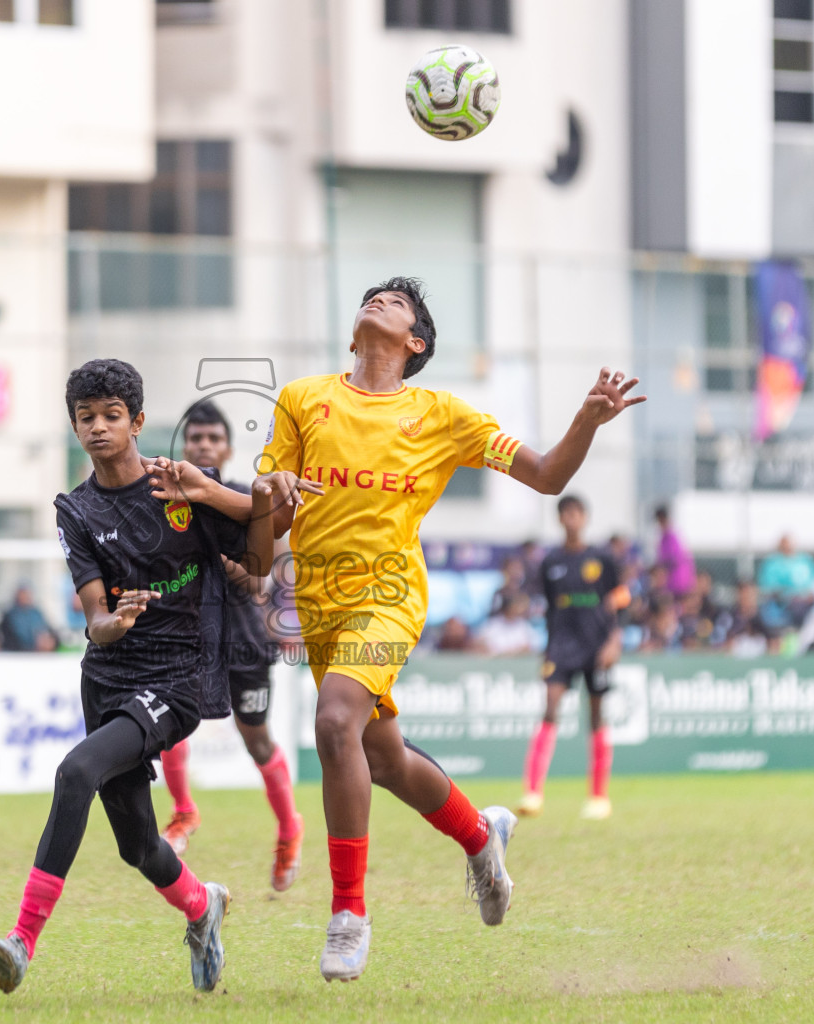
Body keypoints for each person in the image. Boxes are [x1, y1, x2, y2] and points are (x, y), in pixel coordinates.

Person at [260, 276, 645, 981]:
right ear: (354, 335)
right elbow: (268, 523)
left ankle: (348, 912)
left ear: (416, 343)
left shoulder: (441, 414)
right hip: (317, 602)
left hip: (389, 596)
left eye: (396, 302)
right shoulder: (301, 400)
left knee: (334, 721)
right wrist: (269, 498)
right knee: (381, 759)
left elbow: (547, 475)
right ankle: (480, 835)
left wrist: (586, 419)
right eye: (370, 296)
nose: (376, 299)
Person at [0, 359, 279, 996]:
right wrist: (110, 622)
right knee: (139, 846)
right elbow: (94, 617)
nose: (97, 427)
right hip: (109, 678)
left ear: (138, 422)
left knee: (75, 771)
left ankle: (21, 941)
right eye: (85, 418)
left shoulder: (180, 487)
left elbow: (256, 560)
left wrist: (256, 507)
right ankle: (203, 906)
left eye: (111, 416)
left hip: (179, 679)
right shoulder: (76, 510)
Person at [155, 399, 305, 893]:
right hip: (185, 639)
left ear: (228, 447)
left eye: (212, 439)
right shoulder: (165, 503)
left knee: (256, 739)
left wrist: (214, 555)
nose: (203, 446)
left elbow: (260, 584)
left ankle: (289, 829)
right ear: (185, 446)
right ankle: (184, 815)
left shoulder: (247, 502)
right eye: (195, 439)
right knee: (169, 725)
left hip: (243, 643)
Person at [516, 495, 626, 822]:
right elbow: (550, 608)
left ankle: (598, 796)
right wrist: (547, 649)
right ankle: (533, 793)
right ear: (560, 519)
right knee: (549, 708)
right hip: (561, 647)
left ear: (585, 517)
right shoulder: (551, 563)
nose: (571, 519)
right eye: (566, 513)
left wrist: (614, 641)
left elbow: (621, 600)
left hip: (596, 646)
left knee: (596, 715)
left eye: (576, 513)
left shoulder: (603, 559)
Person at [0, 583, 59, 652]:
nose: (25, 596)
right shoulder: (10, 615)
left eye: (27, 594)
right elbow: (13, 639)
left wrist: (48, 641)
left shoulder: (37, 613)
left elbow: (46, 629)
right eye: (23, 594)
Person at [758, 534, 814, 600]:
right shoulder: (771, 563)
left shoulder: (805, 559)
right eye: (785, 545)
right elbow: (768, 587)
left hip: (807, 600)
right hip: (782, 602)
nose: (788, 547)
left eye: (790, 544)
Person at [653, 505, 694, 599]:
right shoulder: (665, 536)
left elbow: (674, 558)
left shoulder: (672, 536)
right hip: (672, 581)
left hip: (678, 581)